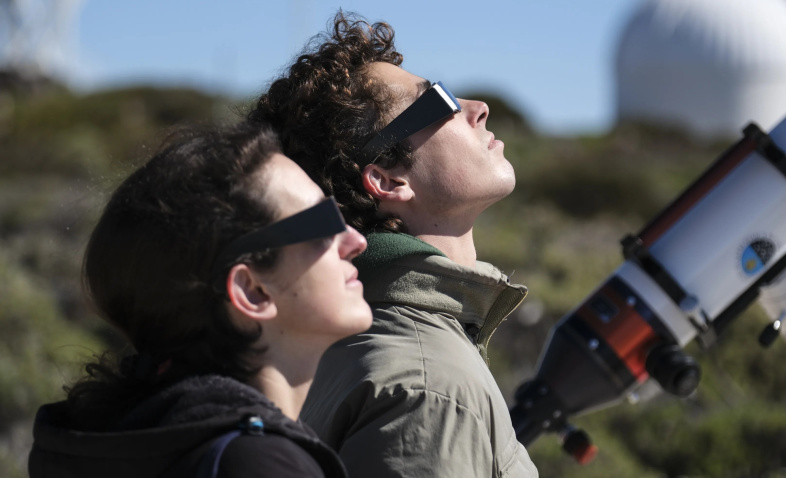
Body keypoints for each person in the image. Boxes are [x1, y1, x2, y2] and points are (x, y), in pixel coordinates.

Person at [248, 13, 538, 477]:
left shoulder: (337, 347)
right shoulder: (427, 388)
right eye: (438, 101)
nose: (477, 107)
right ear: (387, 179)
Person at [28, 122, 372, 478]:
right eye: (323, 221)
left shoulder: (130, 443)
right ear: (252, 290)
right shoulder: (260, 466)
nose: (356, 240)